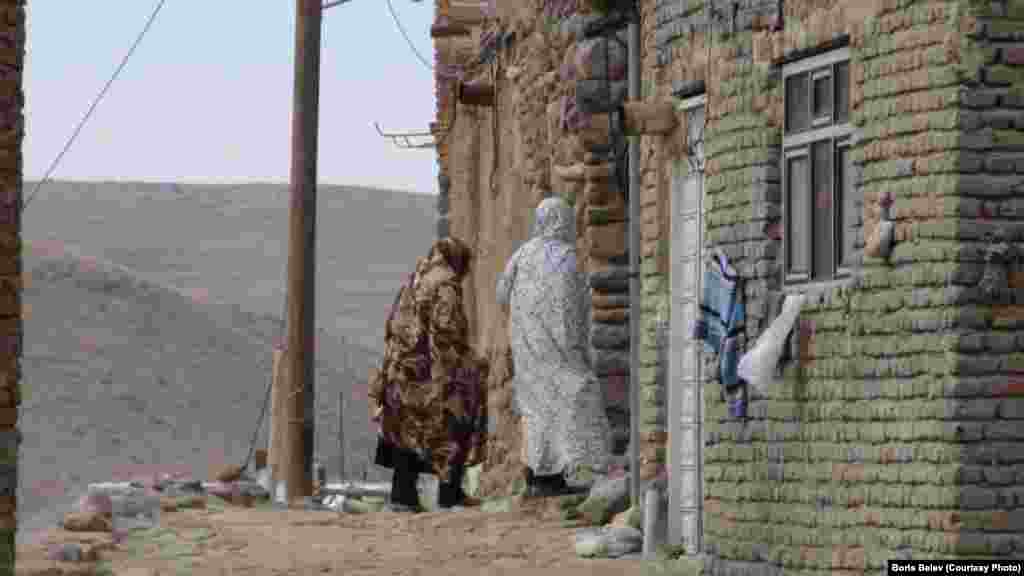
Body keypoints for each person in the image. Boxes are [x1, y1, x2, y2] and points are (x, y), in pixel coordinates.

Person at [496, 196, 611, 497]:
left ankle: (540, 475)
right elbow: (575, 307)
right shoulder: (566, 258)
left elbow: (501, 293)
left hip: (527, 349)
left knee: (536, 411)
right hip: (559, 348)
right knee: (571, 401)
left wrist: (523, 319)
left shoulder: (522, 254)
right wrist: (578, 348)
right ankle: (560, 472)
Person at [369, 237, 488, 512]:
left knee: (406, 429)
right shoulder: (446, 283)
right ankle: (450, 495)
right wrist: (468, 364)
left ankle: (402, 497)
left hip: (401, 373)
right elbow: (446, 332)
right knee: (456, 418)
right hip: (429, 375)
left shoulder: (416, 279)